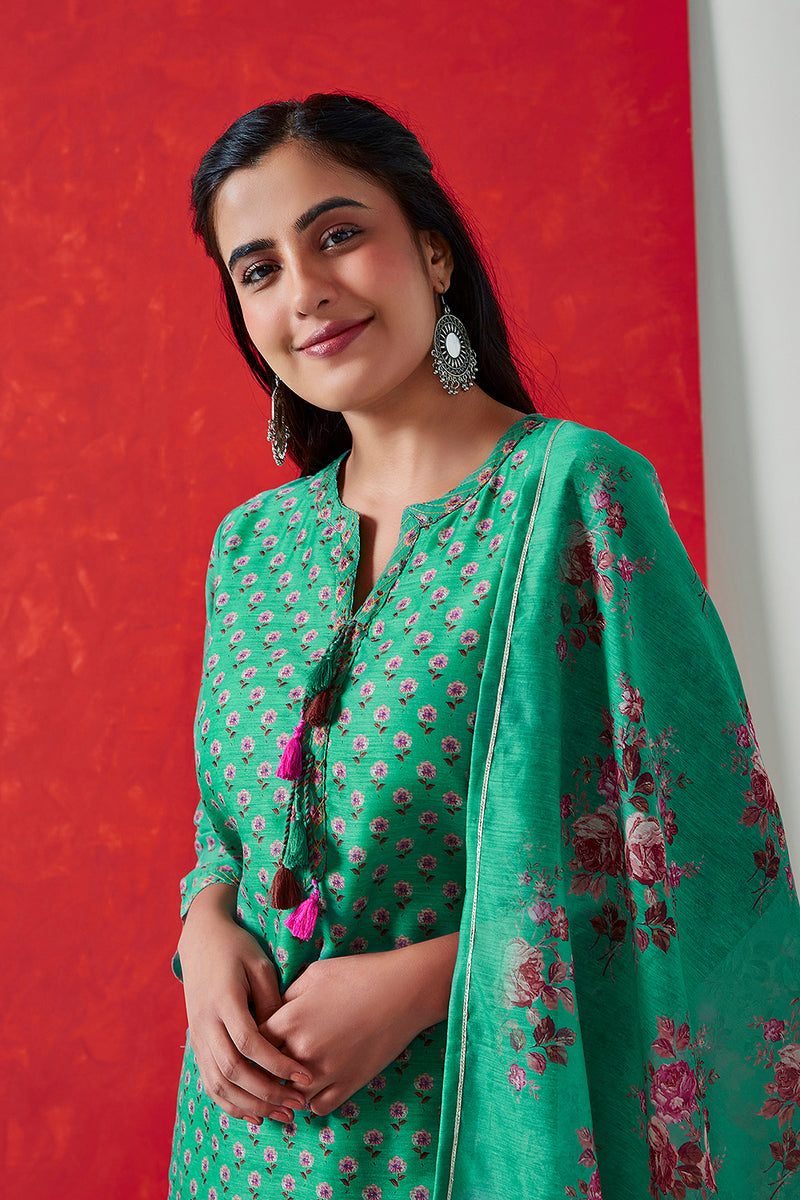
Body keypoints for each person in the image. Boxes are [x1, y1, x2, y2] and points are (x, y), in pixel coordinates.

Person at [169, 94, 800, 1200]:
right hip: (243, 1156)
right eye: (257, 268)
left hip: (479, 1139)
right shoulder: (252, 548)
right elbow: (227, 829)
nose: (304, 289)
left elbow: (699, 857)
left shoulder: (574, 497)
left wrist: (427, 985)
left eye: (337, 234)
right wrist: (204, 932)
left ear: (433, 249)